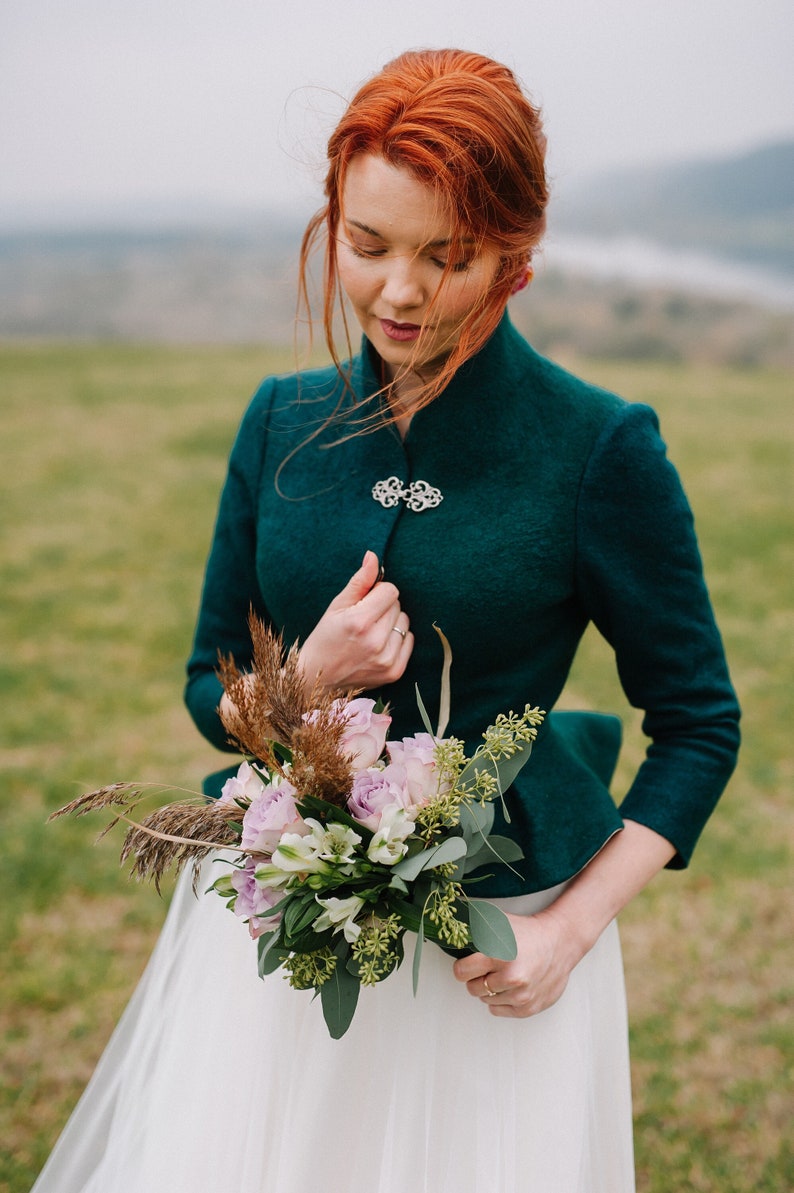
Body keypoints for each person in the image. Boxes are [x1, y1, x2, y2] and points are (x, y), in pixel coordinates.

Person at [33, 48, 740, 1193]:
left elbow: (699, 726)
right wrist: (303, 676)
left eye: (445, 256)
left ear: (517, 255)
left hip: (499, 938)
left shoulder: (598, 446)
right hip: (281, 925)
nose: (399, 293)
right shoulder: (277, 422)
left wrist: (565, 936)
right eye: (367, 247)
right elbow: (201, 691)